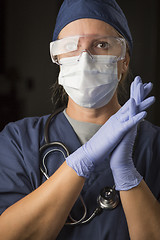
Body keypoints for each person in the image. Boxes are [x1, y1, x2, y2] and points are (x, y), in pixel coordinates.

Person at [0, 0, 160, 239]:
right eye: (71, 46)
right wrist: (81, 162)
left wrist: (126, 174)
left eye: (102, 44)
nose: (84, 59)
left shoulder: (155, 145)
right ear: (58, 58)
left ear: (124, 60)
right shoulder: (18, 141)